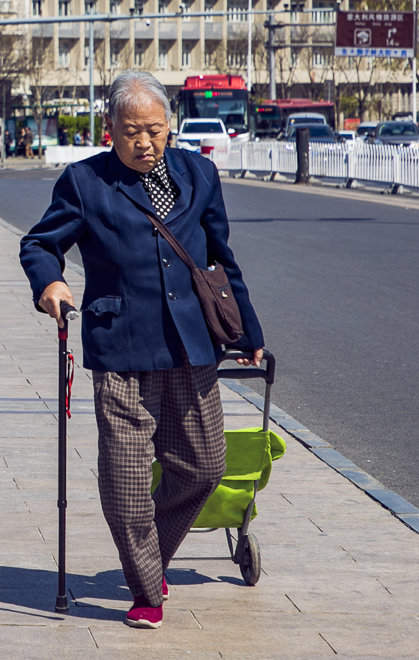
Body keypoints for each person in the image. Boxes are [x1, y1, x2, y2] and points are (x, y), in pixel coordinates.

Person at [19, 70, 266, 630]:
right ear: (110, 129)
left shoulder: (200, 174)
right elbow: (39, 242)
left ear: (169, 126)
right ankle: (145, 586)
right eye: (131, 130)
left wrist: (248, 332)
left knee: (205, 467)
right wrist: (49, 283)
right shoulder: (84, 183)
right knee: (127, 479)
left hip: (191, 346)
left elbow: (220, 260)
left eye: (154, 129)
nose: (144, 141)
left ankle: (149, 553)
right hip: (122, 348)